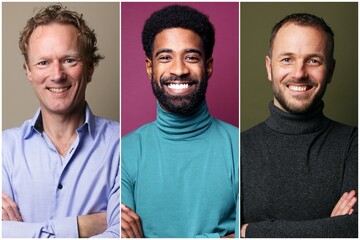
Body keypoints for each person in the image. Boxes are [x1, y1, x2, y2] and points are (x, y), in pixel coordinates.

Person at [2, 4, 119, 238]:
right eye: (43, 62)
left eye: (69, 60)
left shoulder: (121, 145)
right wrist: (80, 227)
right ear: (28, 71)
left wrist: (23, 233)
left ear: (90, 67)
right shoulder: (4, 150)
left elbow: (120, 235)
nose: (57, 75)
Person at [121, 4, 239, 238]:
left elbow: (253, 232)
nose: (178, 69)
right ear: (149, 67)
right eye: (165, 57)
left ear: (208, 66)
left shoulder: (240, 146)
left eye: (191, 57)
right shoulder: (124, 152)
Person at [241, 13, 358, 238]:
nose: (299, 73)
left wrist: (251, 231)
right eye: (287, 59)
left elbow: (355, 228)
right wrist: (329, 230)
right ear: (269, 67)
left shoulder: (354, 144)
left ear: (330, 71)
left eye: (313, 60)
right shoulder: (237, 148)